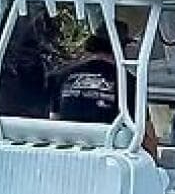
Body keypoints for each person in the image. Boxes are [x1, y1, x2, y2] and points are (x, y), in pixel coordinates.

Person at [47, 20, 159, 155]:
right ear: (121, 48)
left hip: (67, 158)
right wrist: (155, 165)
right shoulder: (128, 82)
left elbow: (53, 124)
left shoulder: (64, 76)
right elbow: (146, 134)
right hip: (107, 161)